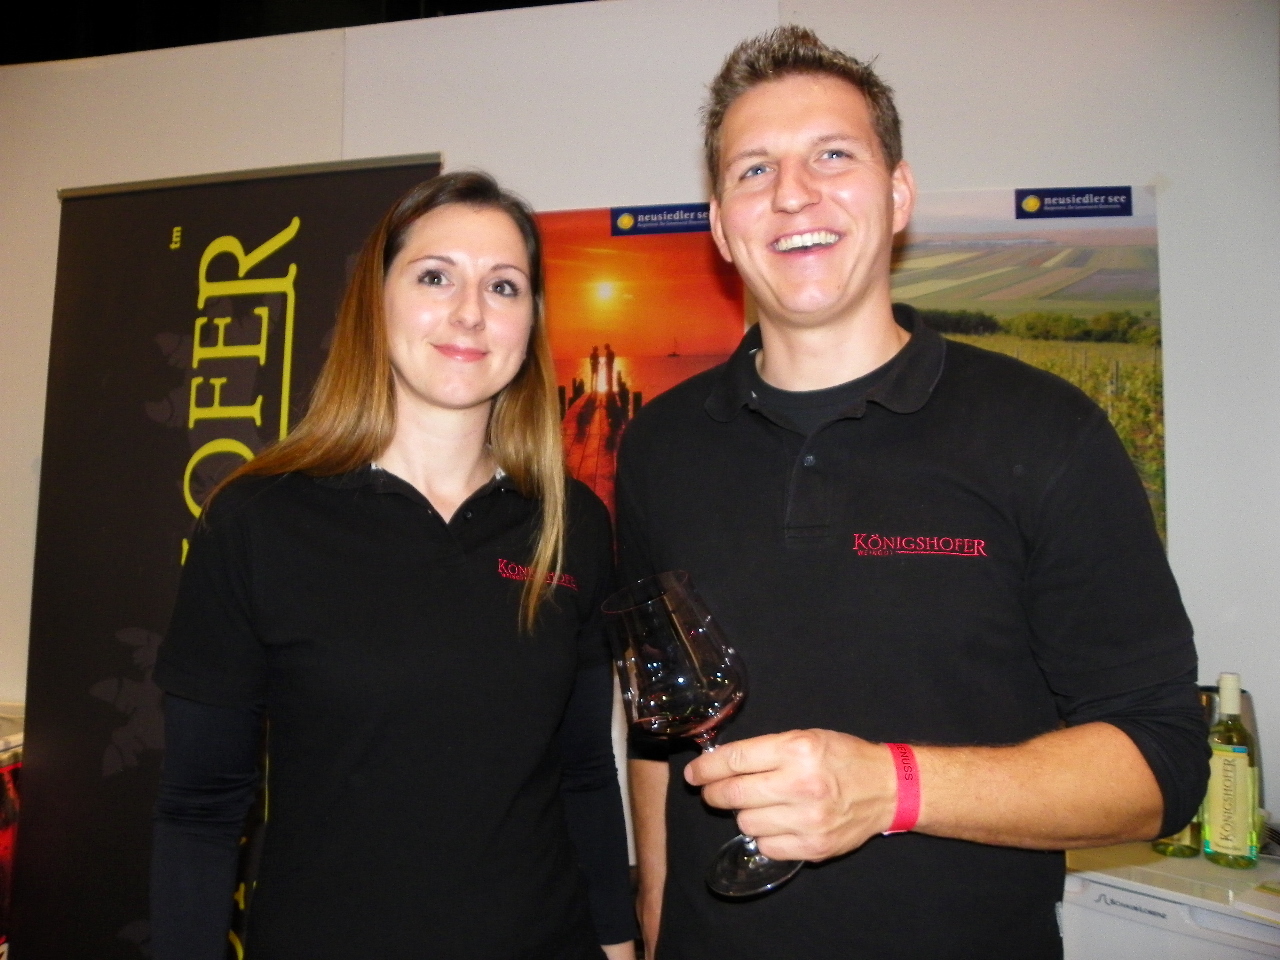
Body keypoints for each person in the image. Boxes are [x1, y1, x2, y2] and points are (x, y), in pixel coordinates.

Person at [615, 26, 1207, 960]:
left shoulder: (1045, 431)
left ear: (897, 196)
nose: (793, 193)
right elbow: (659, 724)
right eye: (755, 170)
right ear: (723, 227)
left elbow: (1163, 763)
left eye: (832, 156)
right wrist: (655, 909)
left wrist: (891, 788)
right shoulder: (659, 445)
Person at [152, 172, 637, 960]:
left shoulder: (569, 523)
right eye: (435, 276)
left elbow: (584, 771)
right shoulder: (258, 519)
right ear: (374, 303)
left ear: (530, 322)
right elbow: (200, 807)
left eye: (503, 286)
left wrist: (618, 947)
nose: (470, 311)